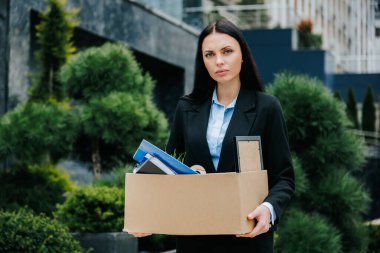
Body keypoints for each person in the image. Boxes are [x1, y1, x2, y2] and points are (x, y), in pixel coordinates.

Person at [129, 19, 295, 253]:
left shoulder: (266, 108)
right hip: (194, 239)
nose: (219, 61)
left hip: (247, 239)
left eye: (227, 51)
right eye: (209, 54)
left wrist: (268, 209)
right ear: (202, 61)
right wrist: (149, 215)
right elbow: (168, 171)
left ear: (242, 54)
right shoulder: (186, 108)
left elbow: (284, 177)